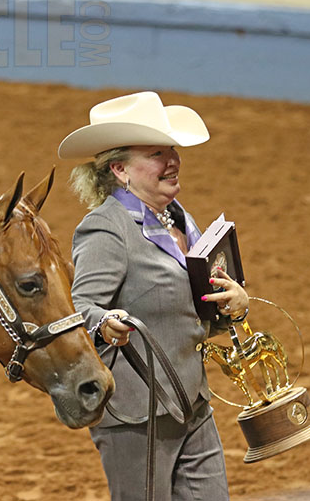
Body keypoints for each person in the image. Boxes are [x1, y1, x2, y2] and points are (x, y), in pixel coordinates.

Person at [58, 92, 249, 501]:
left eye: (172, 150)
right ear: (120, 169)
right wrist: (103, 323)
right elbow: (80, 308)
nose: (173, 160)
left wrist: (234, 300)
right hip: (137, 414)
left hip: (192, 400)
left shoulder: (180, 217)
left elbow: (197, 298)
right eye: (157, 153)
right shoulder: (105, 229)